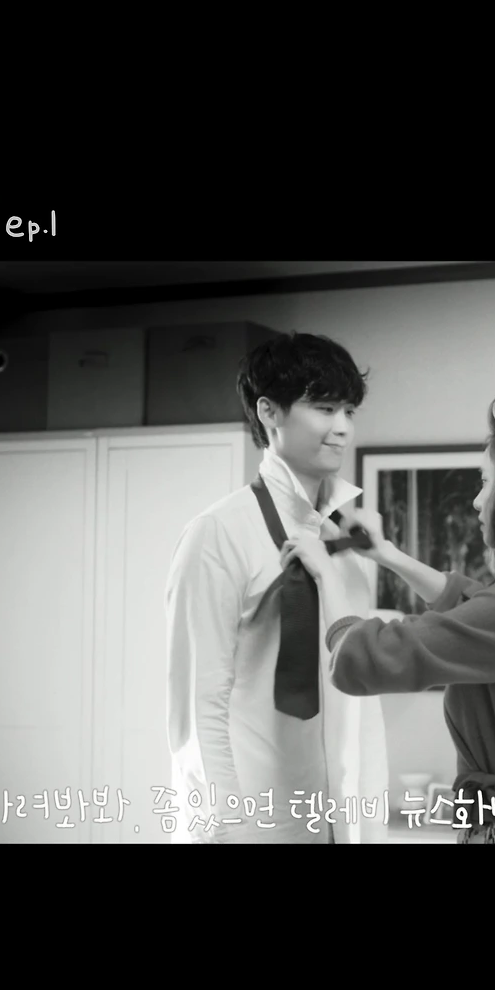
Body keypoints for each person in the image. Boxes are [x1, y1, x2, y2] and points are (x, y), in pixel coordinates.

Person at [281, 388, 495, 844]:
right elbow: (469, 602)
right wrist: (387, 554)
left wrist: (326, 574)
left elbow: (362, 658)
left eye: (486, 483)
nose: (477, 501)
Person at [164, 332, 388, 844]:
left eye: (349, 411)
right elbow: (200, 702)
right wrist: (225, 828)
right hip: (254, 819)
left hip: (340, 819)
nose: (342, 428)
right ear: (269, 412)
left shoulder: (348, 541)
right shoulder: (218, 533)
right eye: (325, 408)